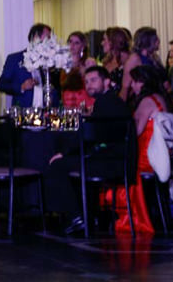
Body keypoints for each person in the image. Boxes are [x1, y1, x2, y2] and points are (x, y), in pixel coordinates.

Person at [46, 66, 130, 234]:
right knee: (68, 162)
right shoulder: (110, 101)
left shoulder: (107, 103)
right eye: (87, 81)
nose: (89, 84)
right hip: (114, 158)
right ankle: (85, 215)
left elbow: (92, 134)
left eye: (93, 80)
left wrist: (64, 152)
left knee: (57, 165)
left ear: (106, 82)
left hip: (111, 162)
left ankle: (75, 217)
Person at [115, 65, 172, 236]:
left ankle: (128, 217)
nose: (132, 85)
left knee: (119, 167)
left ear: (143, 82)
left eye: (134, 82)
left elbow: (135, 132)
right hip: (160, 155)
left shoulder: (147, 101)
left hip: (147, 158)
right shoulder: (160, 98)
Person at [0, 23, 59, 108]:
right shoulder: (15, 59)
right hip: (23, 113)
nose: (51, 42)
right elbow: (1, 85)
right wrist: (21, 87)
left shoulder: (51, 59)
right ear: (36, 37)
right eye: (48, 38)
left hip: (47, 113)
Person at [121, 27, 165, 100]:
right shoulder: (134, 58)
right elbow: (125, 86)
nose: (159, 41)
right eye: (156, 38)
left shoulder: (154, 57)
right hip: (141, 99)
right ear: (147, 40)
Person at [61, 31, 97, 110]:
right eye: (70, 42)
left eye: (76, 43)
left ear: (83, 46)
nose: (72, 45)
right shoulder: (62, 63)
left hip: (84, 104)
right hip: (67, 104)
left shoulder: (88, 62)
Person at [101, 26, 132, 94]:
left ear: (113, 41)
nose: (102, 43)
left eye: (104, 39)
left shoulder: (126, 59)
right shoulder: (107, 61)